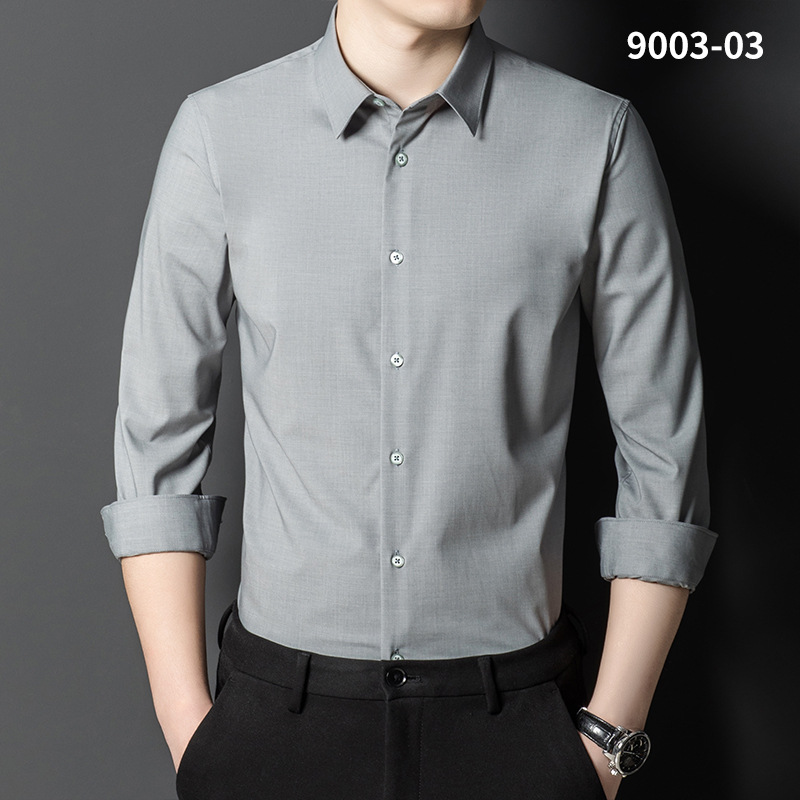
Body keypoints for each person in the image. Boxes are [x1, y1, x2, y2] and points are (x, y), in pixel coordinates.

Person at [100, 1, 718, 798]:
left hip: (517, 730)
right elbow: (157, 441)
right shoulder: (220, 132)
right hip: (275, 730)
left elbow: (664, 453)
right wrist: (192, 731)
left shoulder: (595, 136)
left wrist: (604, 744)